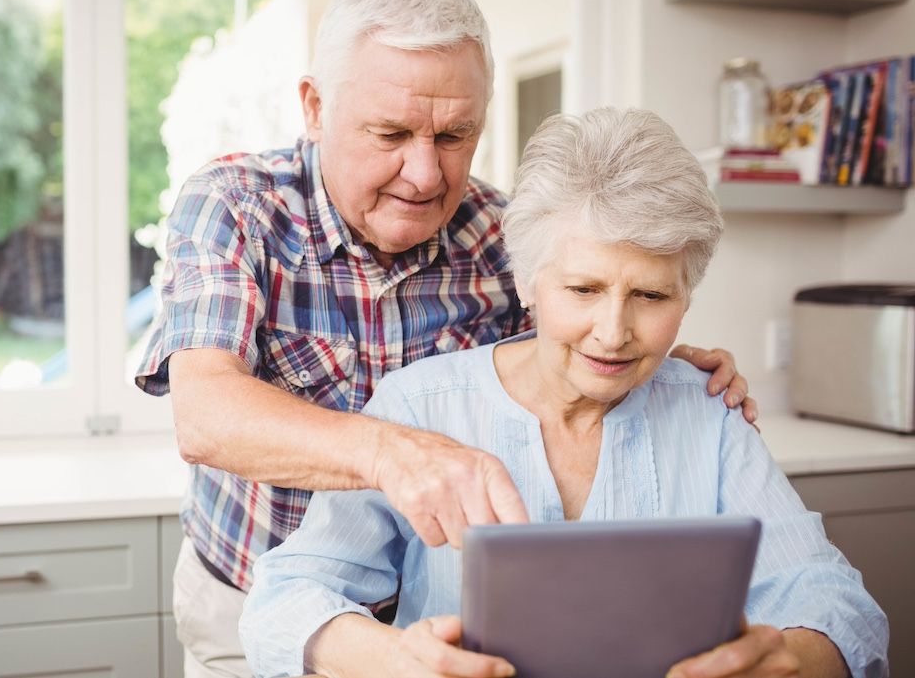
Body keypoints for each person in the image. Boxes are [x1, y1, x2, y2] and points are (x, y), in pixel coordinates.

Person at [135, 0, 758, 678]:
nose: (426, 174)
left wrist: (658, 355)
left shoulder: (503, 232)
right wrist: (392, 453)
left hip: (435, 614)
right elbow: (205, 412)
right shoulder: (236, 206)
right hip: (256, 602)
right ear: (314, 107)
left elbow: (572, 347)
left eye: (456, 135)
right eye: (391, 132)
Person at [239, 107, 889, 678]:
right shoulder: (419, 405)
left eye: (651, 295)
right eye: (583, 289)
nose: (613, 332)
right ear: (527, 281)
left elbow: (836, 600)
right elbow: (285, 594)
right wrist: (388, 660)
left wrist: (797, 659)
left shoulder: (709, 411)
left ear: (687, 297)